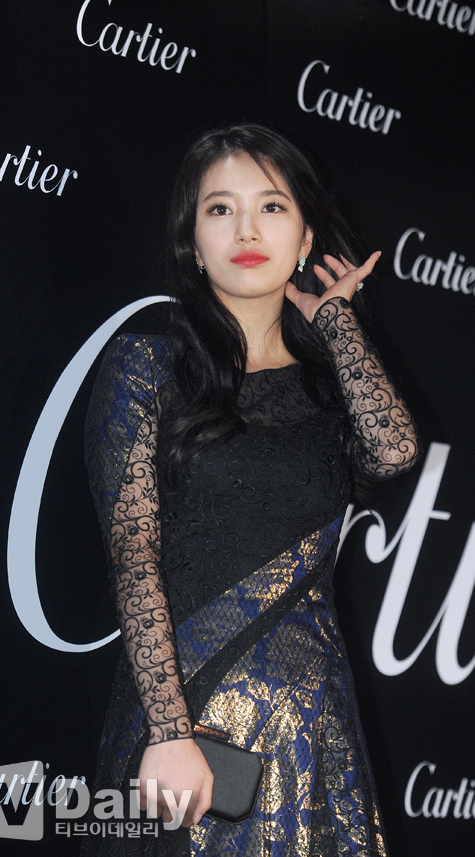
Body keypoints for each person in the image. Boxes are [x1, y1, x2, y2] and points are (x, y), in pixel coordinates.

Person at [83, 124, 420, 857]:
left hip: (310, 730)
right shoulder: (146, 366)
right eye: (219, 209)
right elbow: (134, 554)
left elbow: (394, 451)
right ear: (192, 243)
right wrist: (169, 731)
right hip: (189, 724)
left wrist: (335, 320)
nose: (246, 229)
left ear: (304, 238)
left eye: (271, 206)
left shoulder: (328, 389)